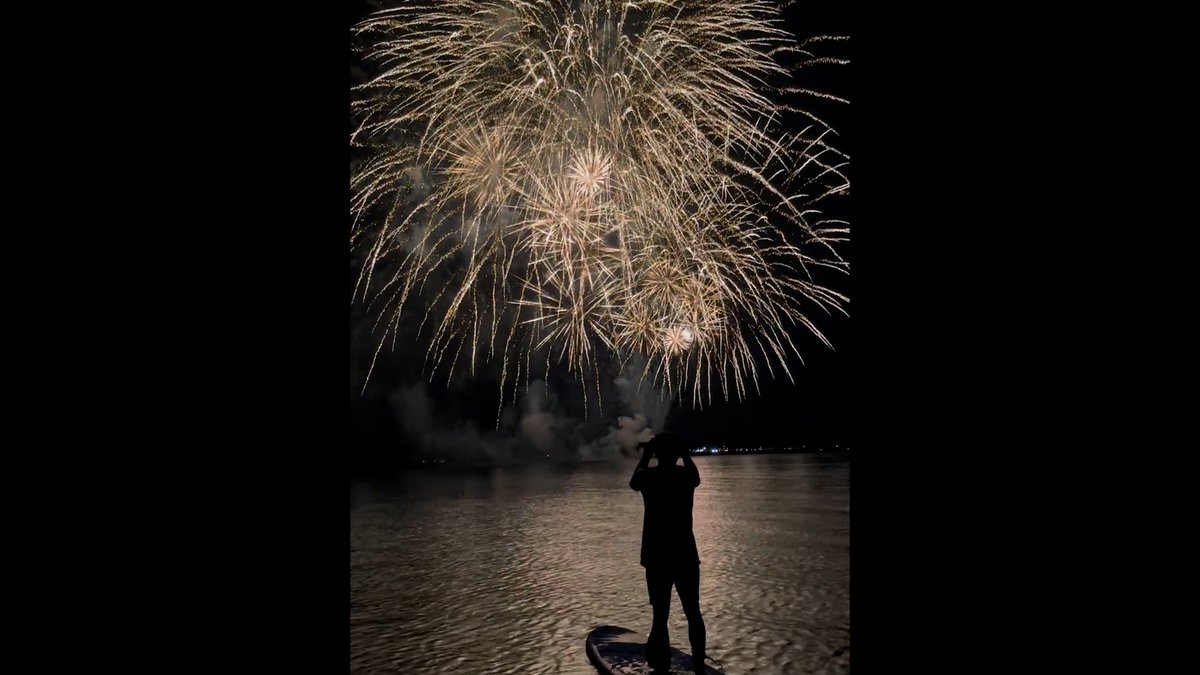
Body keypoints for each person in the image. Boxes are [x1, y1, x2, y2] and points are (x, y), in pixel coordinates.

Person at [630, 432, 706, 674]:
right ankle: (699, 667)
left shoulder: (649, 477)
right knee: (693, 611)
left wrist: (646, 456)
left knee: (660, 614)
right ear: (677, 455)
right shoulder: (684, 476)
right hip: (685, 553)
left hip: (656, 556)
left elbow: (634, 482)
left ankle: (660, 668)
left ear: (657, 454)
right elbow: (696, 478)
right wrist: (684, 452)